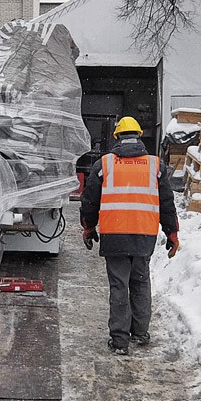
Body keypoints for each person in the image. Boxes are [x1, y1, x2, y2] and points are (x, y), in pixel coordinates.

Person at [80, 116, 179, 356]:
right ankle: (140, 332)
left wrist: (88, 227)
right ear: (139, 136)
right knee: (141, 282)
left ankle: (120, 340)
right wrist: (172, 233)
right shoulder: (155, 166)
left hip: (115, 236)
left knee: (119, 285)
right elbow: (167, 203)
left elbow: (90, 201)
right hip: (144, 236)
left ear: (117, 138)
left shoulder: (104, 164)